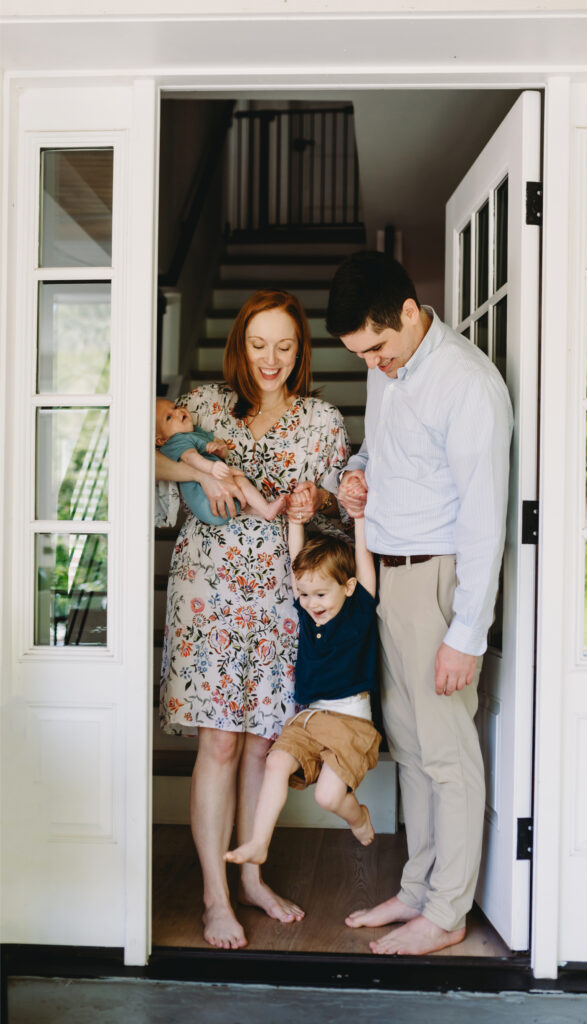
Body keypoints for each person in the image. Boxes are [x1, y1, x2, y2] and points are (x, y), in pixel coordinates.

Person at [326, 251, 512, 956]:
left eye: (377, 348)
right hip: (387, 580)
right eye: (360, 355)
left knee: (447, 752)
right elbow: (381, 450)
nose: (373, 364)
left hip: (438, 580)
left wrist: (466, 632)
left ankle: (448, 911)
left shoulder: (466, 384)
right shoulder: (390, 368)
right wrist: (352, 474)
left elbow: (484, 517)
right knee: (408, 745)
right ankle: (415, 890)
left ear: (410, 312)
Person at [156, 289, 350, 950]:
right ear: (240, 345)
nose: (271, 359)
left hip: (278, 594)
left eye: (285, 345)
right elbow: (145, 463)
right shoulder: (203, 405)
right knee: (220, 742)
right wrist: (191, 464)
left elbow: (341, 516)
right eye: (259, 344)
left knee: (265, 745)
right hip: (207, 594)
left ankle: (251, 877)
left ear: (301, 350)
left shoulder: (321, 419)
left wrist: (316, 496)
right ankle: (216, 894)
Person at [224, 516, 381, 866]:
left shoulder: (359, 612)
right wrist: (295, 522)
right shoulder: (309, 615)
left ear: (349, 586)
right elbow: (296, 562)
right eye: (306, 595)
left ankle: (359, 817)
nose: (311, 603)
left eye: (321, 594)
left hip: (350, 722)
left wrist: (359, 518)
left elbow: (365, 562)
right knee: (276, 761)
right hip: (310, 718)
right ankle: (259, 843)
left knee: (328, 797)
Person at [155, 397, 287, 524]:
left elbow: (223, 450)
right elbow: (190, 457)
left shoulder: (196, 431)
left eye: (175, 407)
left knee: (236, 485)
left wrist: (218, 449)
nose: (177, 412)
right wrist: (211, 468)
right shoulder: (176, 441)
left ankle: (254, 510)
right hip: (207, 500)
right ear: (161, 440)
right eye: (168, 417)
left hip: (219, 501)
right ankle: (266, 509)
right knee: (240, 480)